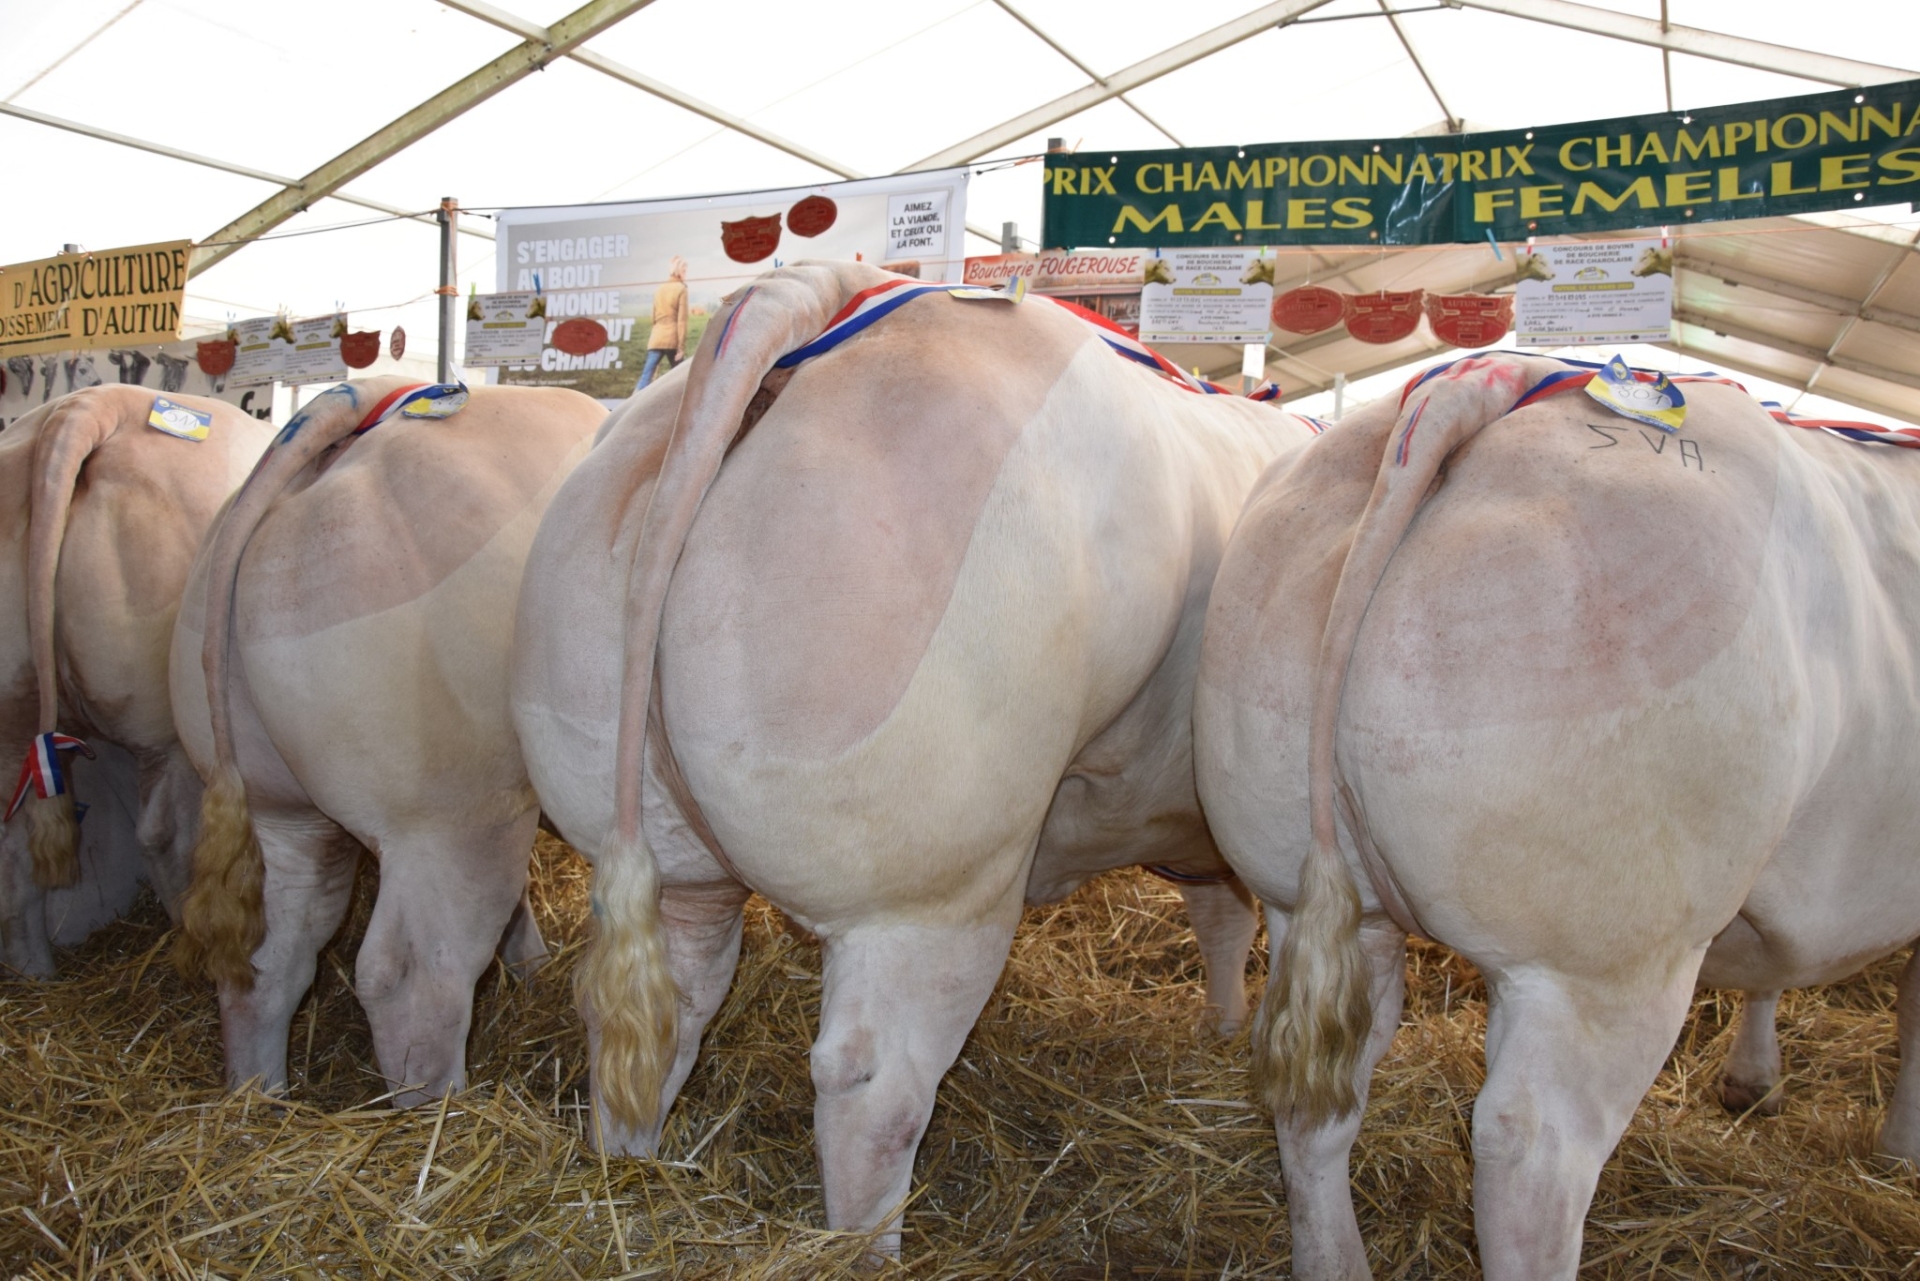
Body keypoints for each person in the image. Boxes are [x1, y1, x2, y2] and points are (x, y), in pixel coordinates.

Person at [638, 257, 689, 389]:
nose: (685, 273)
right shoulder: (681, 289)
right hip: (672, 340)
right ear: (678, 271)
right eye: (684, 270)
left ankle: (633, 403)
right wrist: (681, 348)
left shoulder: (660, 288)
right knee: (682, 379)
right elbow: (681, 321)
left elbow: (653, 317)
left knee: (646, 376)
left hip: (656, 338)